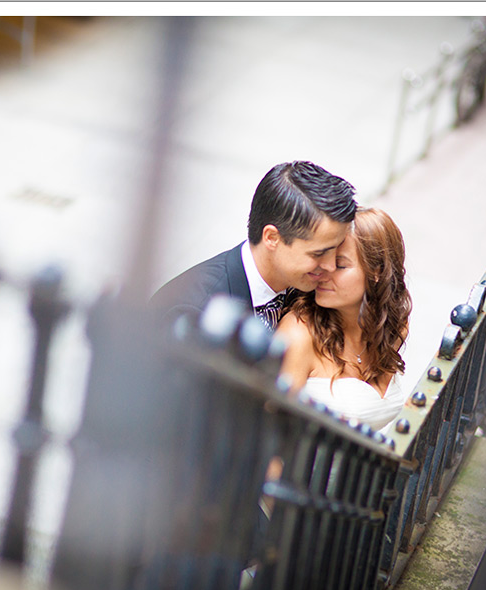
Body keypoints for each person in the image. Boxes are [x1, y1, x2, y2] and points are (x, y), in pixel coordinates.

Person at [150, 161, 358, 330]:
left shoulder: (315, 291)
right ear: (271, 238)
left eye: (336, 249)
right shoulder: (192, 311)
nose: (331, 266)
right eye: (318, 253)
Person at [275, 207, 412, 433]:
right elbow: (274, 432)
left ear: (375, 271)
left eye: (339, 265)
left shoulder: (394, 328)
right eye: (321, 259)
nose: (322, 272)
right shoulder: (298, 334)